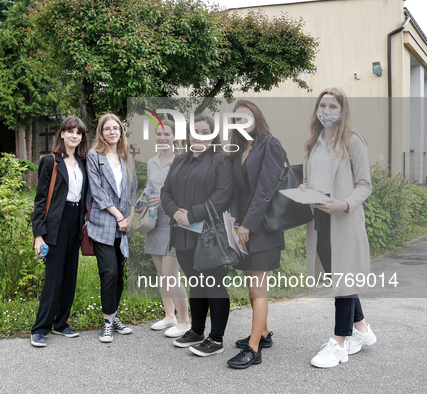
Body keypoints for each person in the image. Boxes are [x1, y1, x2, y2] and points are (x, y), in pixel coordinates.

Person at [299, 86, 376, 368]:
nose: (327, 112)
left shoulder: (353, 142)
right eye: (323, 106)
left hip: (342, 221)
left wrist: (343, 204)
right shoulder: (313, 143)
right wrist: (305, 188)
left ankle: (339, 343)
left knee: (343, 282)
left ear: (343, 111)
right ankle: (363, 330)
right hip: (320, 222)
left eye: (333, 107)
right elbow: (314, 180)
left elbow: (365, 185)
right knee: (340, 279)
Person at [160, 114, 233, 357]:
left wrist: (192, 215)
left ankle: (217, 339)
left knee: (214, 285)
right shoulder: (180, 160)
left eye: (204, 132)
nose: (198, 136)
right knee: (196, 283)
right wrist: (175, 214)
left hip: (208, 235)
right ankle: (198, 330)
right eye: (194, 131)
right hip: (182, 234)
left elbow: (222, 195)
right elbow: (166, 191)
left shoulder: (220, 161)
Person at [225, 100, 287, 369]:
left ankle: (253, 349)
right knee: (252, 284)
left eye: (246, 117)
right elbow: (239, 191)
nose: (241, 122)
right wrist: (237, 221)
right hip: (245, 227)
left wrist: (248, 224)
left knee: (257, 287)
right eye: (236, 119)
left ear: (256, 118)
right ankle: (262, 333)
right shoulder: (240, 149)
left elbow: (266, 188)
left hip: (263, 228)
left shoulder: (269, 144)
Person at [30, 116, 89, 347]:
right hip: (56, 223)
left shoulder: (84, 162)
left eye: (79, 132)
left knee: (69, 277)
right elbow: (40, 200)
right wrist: (38, 235)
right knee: (53, 279)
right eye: (70, 131)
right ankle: (40, 329)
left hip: (76, 223)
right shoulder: (50, 161)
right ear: (62, 134)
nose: (75, 136)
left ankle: (61, 323)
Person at [86, 113, 137, 343]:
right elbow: (97, 191)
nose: (112, 132)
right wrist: (119, 216)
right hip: (103, 223)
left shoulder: (127, 157)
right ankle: (107, 322)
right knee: (109, 272)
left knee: (120, 277)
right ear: (101, 132)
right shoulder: (94, 156)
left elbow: (133, 190)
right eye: (107, 129)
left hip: (124, 226)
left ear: (121, 132)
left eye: (116, 128)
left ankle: (114, 316)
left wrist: (131, 217)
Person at [136, 120, 190, 338]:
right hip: (154, 222)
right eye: (159, 134)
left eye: (166, 134)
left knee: (171, 274)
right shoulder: (151, 162)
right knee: (161, 274)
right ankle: (169, 316)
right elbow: (149, 188)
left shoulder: (181, 161)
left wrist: (166, 200)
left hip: (174, 222)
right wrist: (141, 200)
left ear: (174, 137)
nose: (162, 138)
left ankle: (185, 320)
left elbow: (186, 190)